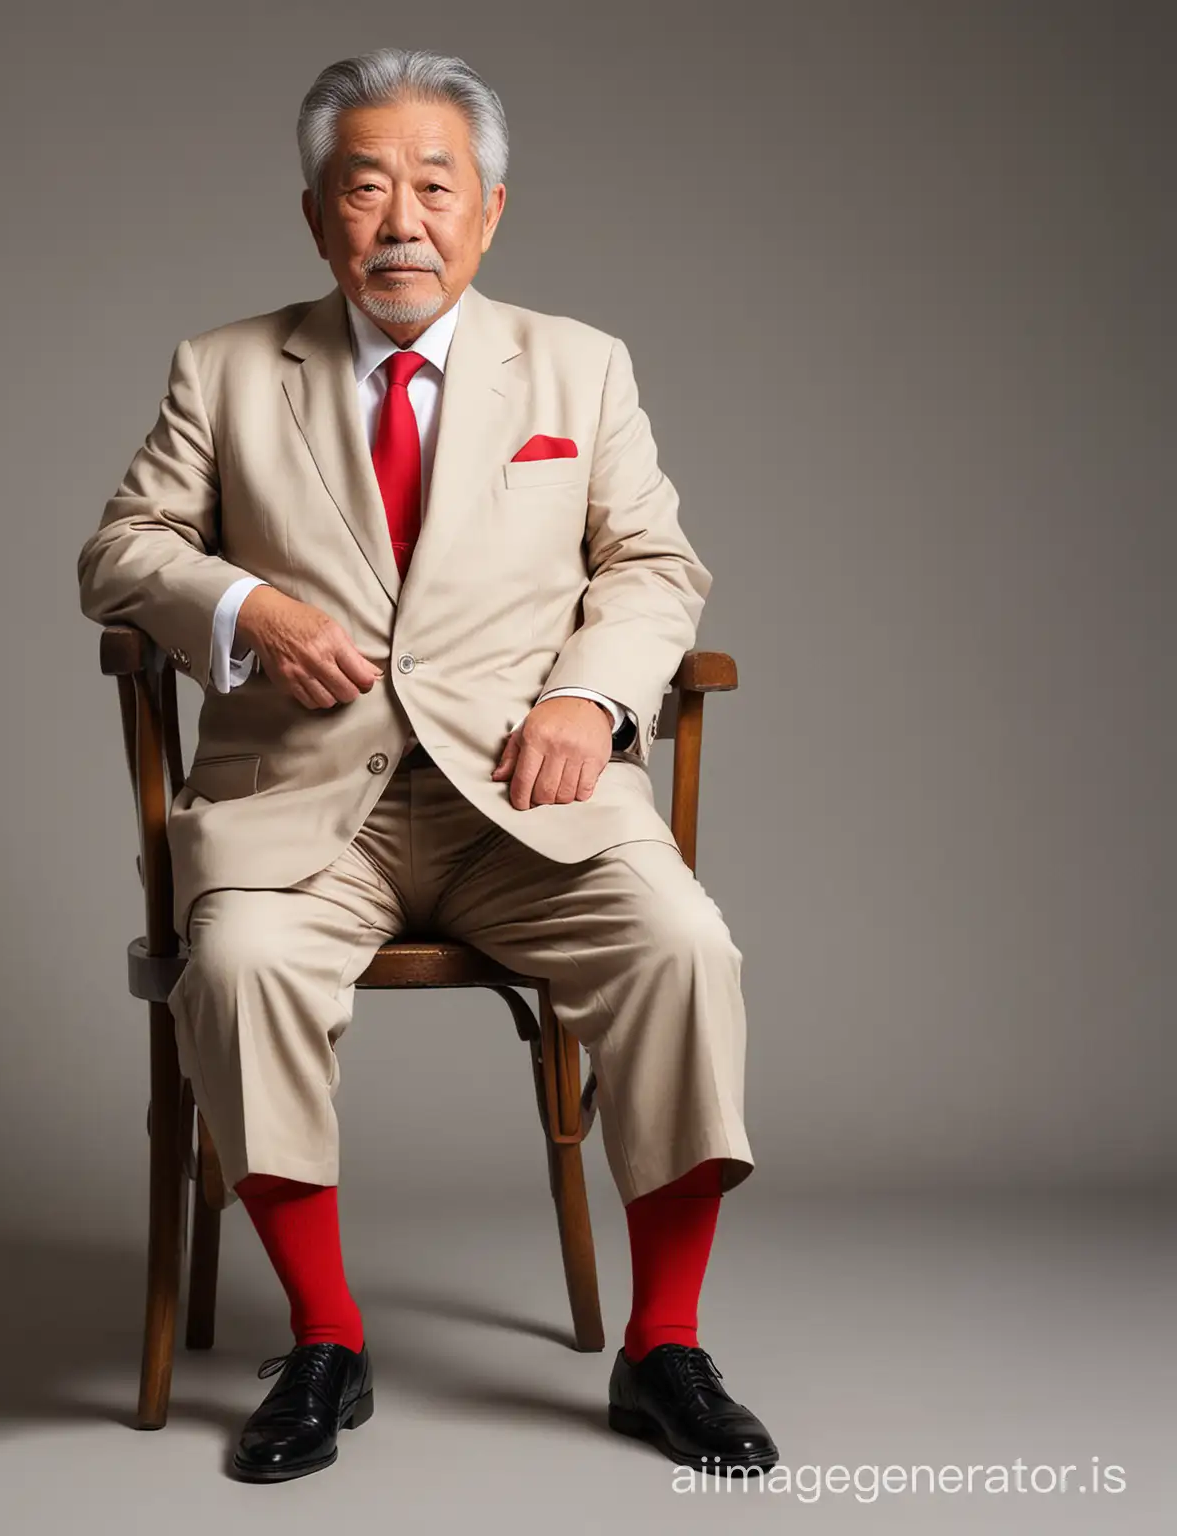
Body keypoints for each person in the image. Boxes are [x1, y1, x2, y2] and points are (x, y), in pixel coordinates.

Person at [78, 46, 776, 1484]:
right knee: (242, 967)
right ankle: (327, 1343)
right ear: (317, 212)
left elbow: (653, 562)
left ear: (491, 211)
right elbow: (119, 554)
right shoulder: (224, 367)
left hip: (531, 805)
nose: (403, 218)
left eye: (435, 186)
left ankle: (666, 1346)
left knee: (681, 947)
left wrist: (592, 699)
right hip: (303, 817)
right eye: (367, 185)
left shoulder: (580, 365)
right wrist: (245, 610)